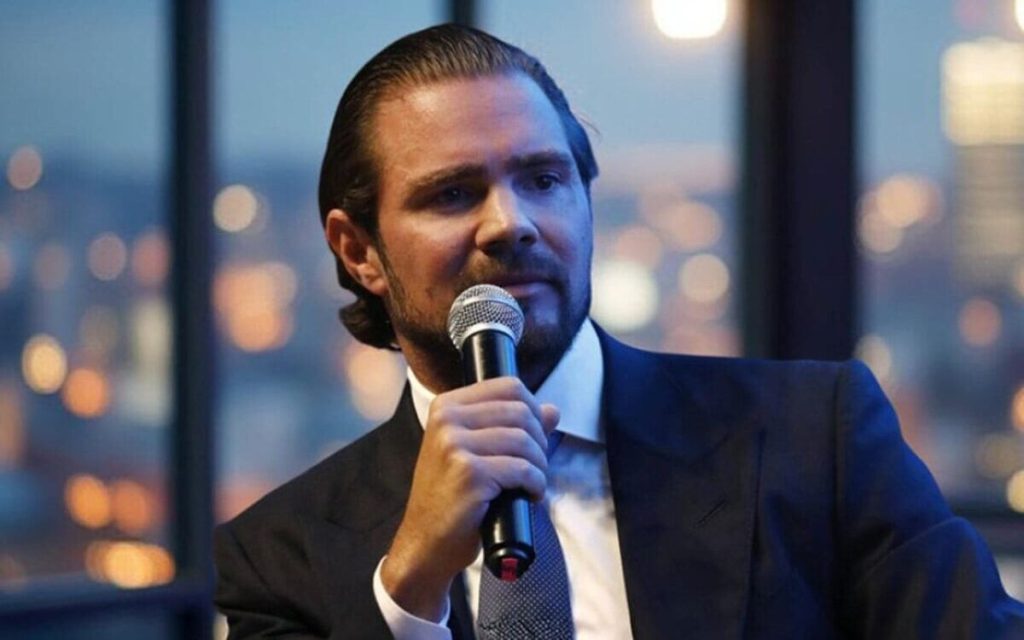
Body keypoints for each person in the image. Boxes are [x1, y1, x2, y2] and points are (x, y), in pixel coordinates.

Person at [213, 24, 1024, 639]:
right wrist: (409, 591)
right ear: (358, 251)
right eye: (453, 194)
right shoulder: (278, 557)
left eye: (543, 178)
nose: (510, 223)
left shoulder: (814, 436)